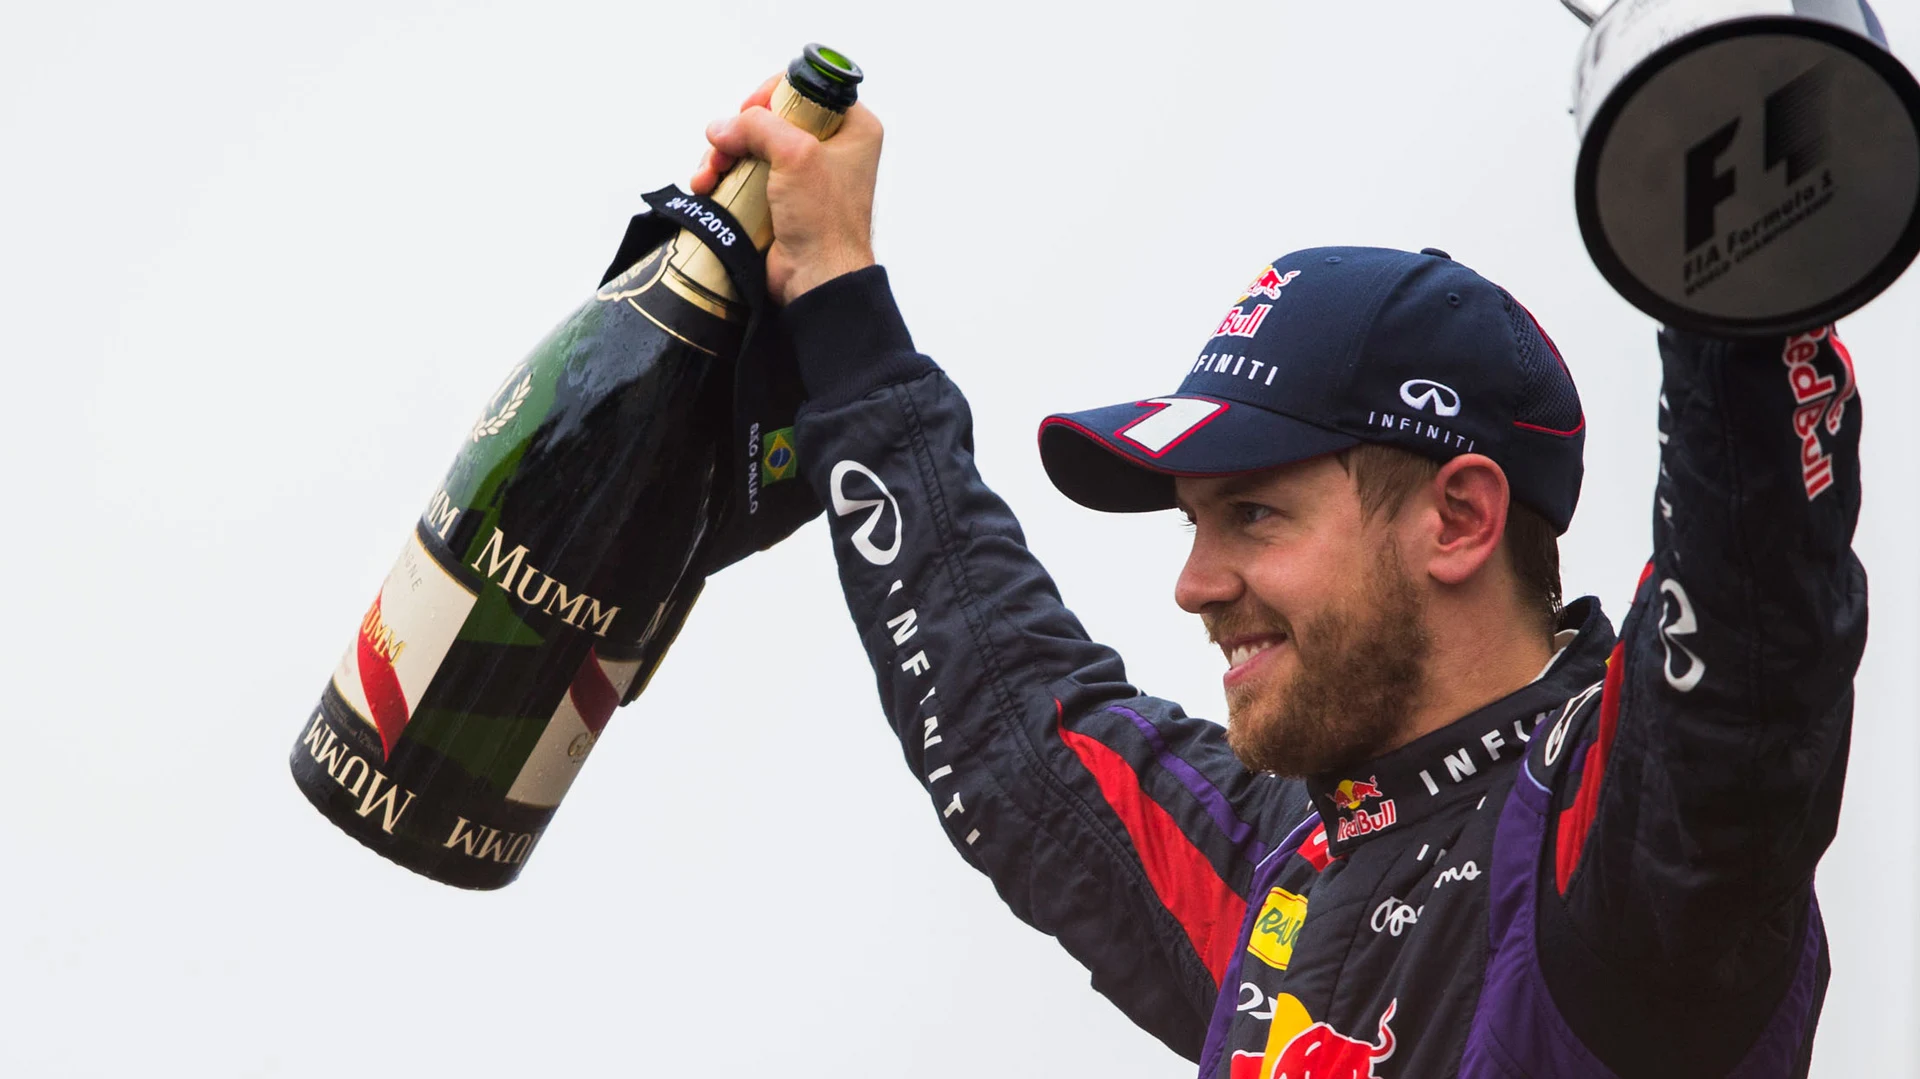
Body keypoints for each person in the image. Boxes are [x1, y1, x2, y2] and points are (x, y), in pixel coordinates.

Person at [689, 76, 1865, 1078]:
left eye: (1253, 512)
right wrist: (836, 302)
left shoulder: (1613, 835)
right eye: (1196, 523)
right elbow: (1020, 731)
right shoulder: (1284, 852)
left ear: (1459, 519)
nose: (1195, 584)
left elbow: (1750, 637)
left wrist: (1735, 235)